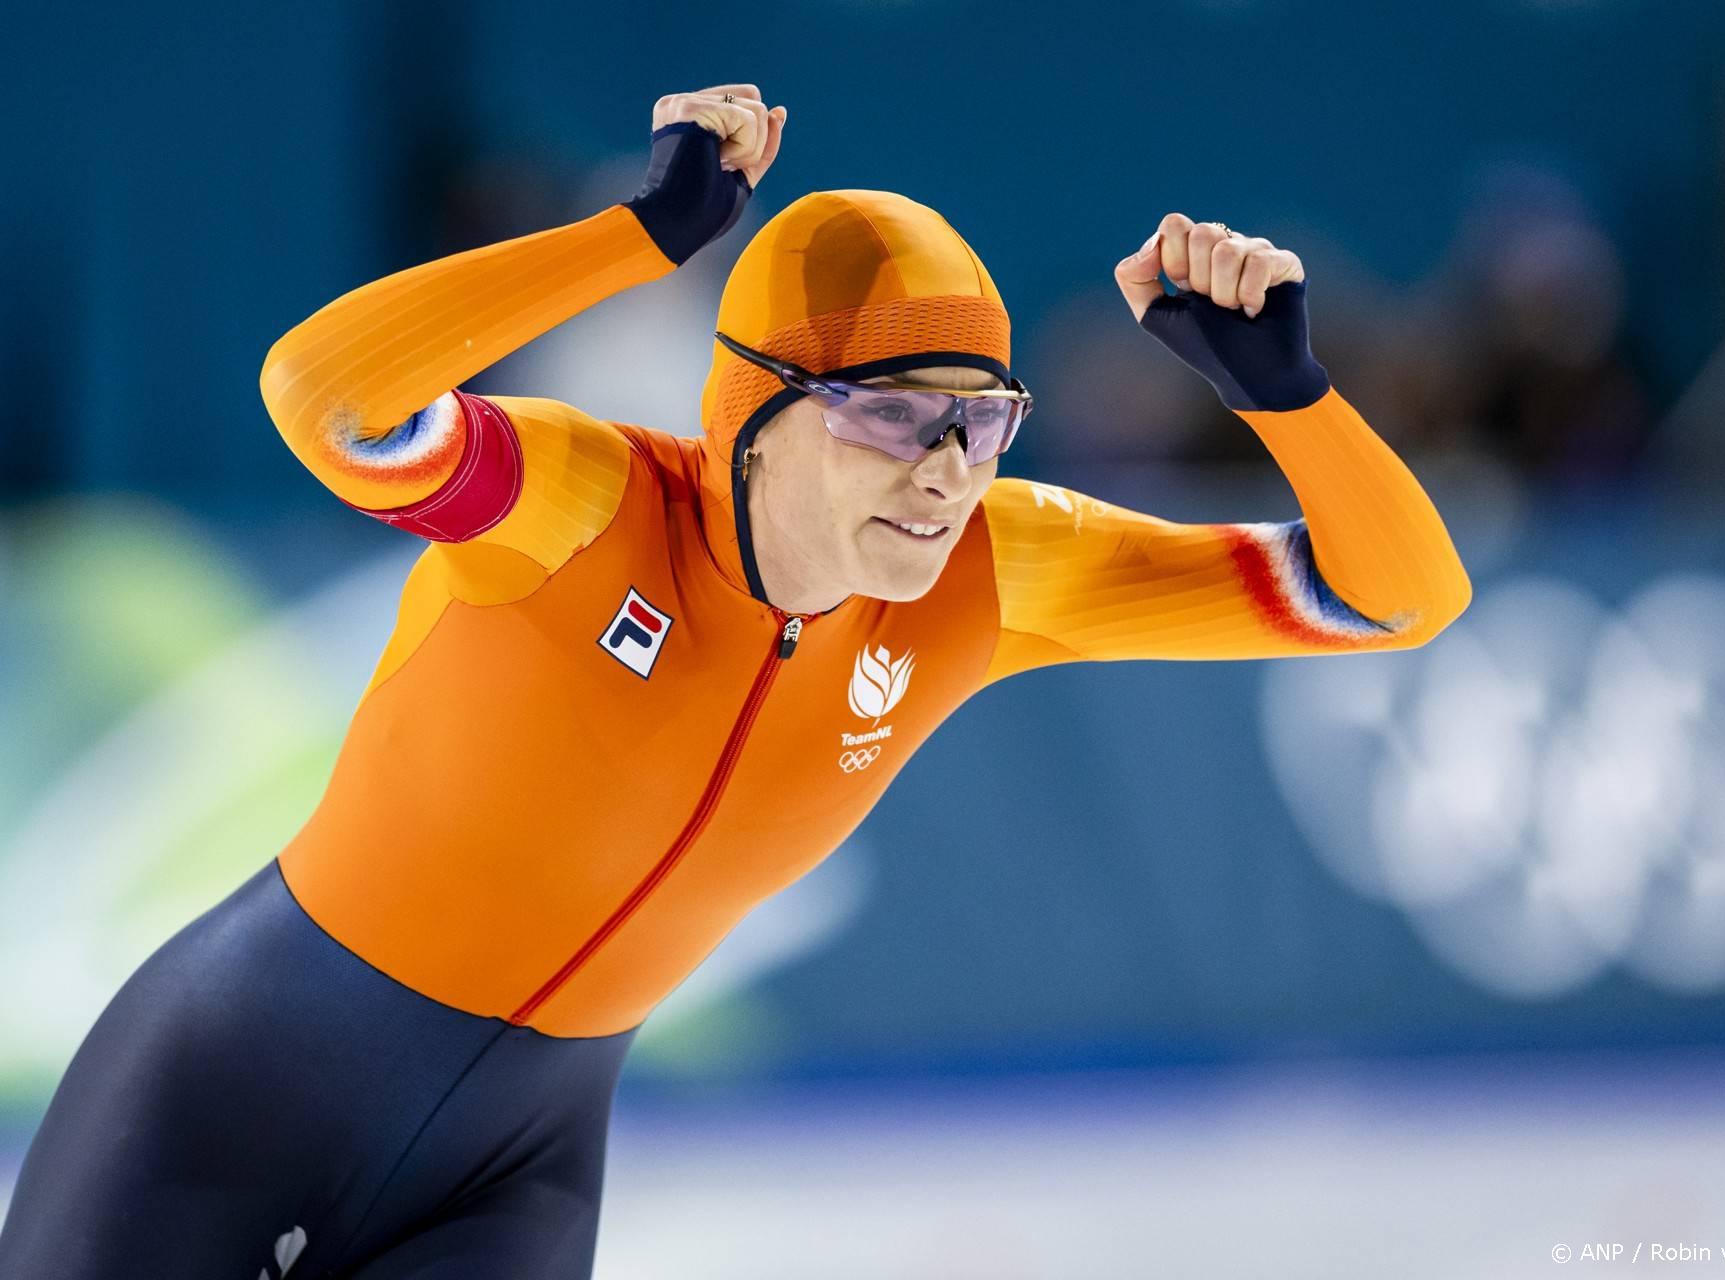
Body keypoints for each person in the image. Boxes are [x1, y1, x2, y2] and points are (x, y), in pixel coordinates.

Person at [0, 82, 1471, 1278]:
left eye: (985, 422)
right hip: (237, 1087)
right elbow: (320, 400)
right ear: (756, 413)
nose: (951, 477)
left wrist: (1295, 404)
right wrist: (636, 239)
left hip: (510, 1173)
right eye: (896, 418)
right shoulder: (584, 503)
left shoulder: (992, 575)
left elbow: (1401, 598)